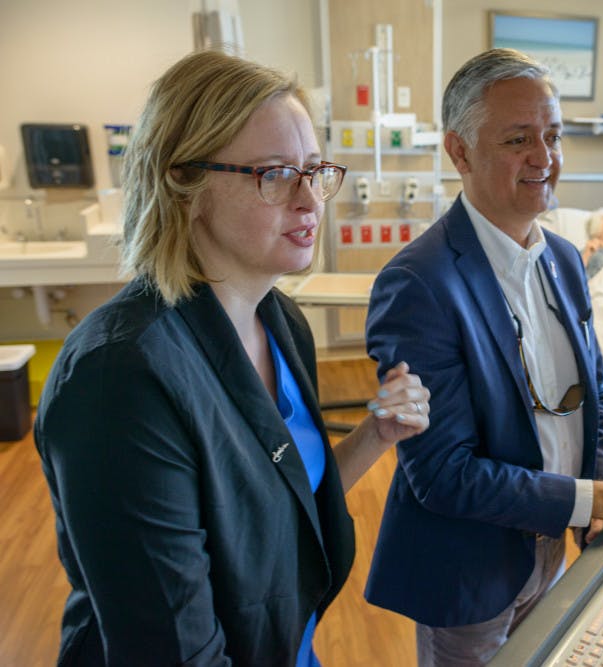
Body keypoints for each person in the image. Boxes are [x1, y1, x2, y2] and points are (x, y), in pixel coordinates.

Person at [33, 50, 430, 666]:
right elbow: (173, 649)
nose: (309, 200)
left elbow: (280, 502)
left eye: (314, 169)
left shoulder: (279, 321)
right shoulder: (120, 378)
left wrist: (375, 434)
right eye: (273, 173)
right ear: (182, 182)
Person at [364, 48, 603, 666]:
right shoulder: (420, 284)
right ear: (459, 152)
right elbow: (442, 474)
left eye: (553, 136)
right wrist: (602, 499)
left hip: (555, 541)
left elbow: (596, 394)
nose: (544, 158)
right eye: (518, 139)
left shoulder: (565, 260)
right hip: (469, 566)